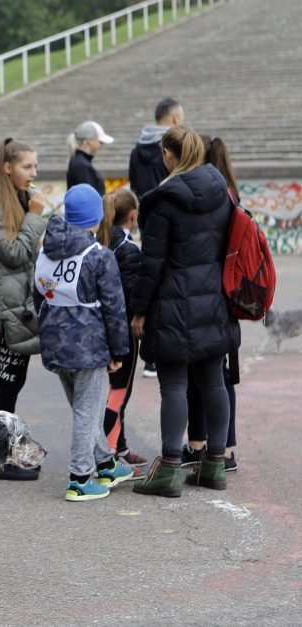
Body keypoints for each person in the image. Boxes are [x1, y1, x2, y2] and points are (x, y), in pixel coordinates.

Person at [130, 126, 240, 497]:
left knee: (174, 384)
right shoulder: (221, 191)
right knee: (213, 379)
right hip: (213, 300)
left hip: (173, 303)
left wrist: (139, 311)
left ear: (169, 155)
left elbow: (152, 263)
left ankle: (170, 471)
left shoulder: (163, 200)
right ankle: (213, 466)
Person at [34, 183, 133, 501]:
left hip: (55, 342)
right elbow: (115, 308)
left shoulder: (46, 251)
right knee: (86, 411)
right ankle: (79, 477)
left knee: (83, 408)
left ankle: (105, 462)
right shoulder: (99, 256)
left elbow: (37, 295)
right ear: (96, 218)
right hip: (89, 345)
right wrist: (119, 350)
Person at [0, 138, 47, 480]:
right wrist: (34, 218)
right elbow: (14, 254)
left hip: (17, 304)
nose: (34, 173)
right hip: (7, 309)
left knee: (12, 380)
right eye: (27, 166)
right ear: (7, 167)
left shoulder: (15, 199)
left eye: (35, 166)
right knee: (9, 381)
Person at [181, 135, 242, 473]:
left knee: (199, 376)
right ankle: (226, 447)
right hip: (227, 296)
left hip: (206, 295)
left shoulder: (207, 197)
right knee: (222, 375)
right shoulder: (230, 193)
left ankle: (201, 443)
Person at [129, 98, 183, 379]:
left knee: (150, 278)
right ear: (174, 117)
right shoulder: (174, 147)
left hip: (148, 221)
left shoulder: (136, 150)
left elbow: (135, 188)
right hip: (171, 222)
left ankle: (150, 357)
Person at [96, 188, 147, 467]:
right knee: (118, 394)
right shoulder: (127, 249)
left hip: (102, 328)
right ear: (133, 215)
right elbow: (128, 296)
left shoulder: (102, 240)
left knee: (117, 392)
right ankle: (106, 452)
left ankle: (120, 447)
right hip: (122, 331)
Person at [66, 121, 114, 196]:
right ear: (89, 140)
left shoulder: (80, 162)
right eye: (101, 141)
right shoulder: (80, 164)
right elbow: (87, 197)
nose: (102, 144)